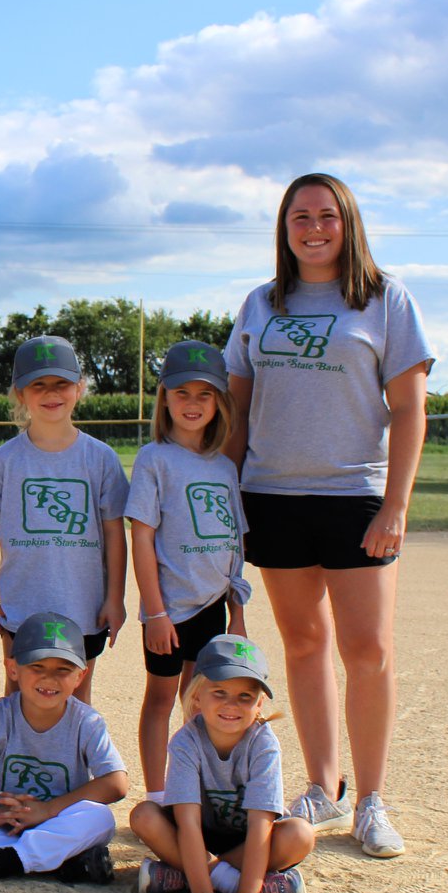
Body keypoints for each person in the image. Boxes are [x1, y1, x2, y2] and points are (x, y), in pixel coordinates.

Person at [225, 172, 433, 859]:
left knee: (368, 649)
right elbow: (237, 409)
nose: (313, 228)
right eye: (300, 217)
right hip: (273, 494)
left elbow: (410, 409)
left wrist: (396, 505)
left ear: (348, 223)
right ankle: (323, 785)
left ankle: (371, 799)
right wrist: (225, 497)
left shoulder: (384, 299)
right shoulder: (262, 303)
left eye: (326, 216)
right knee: (304, 642)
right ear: (284, 229)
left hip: (355, 494)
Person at [124, 340, 252, 801]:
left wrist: (238, 615)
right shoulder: (154, 459)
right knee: (161, 699)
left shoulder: (224, 467)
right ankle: (159, 795)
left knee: (201, 704)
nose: (192, 403)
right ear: (165, 398)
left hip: (213, 606)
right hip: (171, 608)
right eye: (182, 393)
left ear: (219, 402)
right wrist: (156, 612)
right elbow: (141, 538)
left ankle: (192, 792)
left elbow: (234, 545)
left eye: (204, 394)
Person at [0, 335, 128, 701]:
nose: (51, 393)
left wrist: (115, 598)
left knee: (77, 700)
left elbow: (115, 535)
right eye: (38, 385)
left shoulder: (100, 458)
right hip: (22, 604)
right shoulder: (5, 460)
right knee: (17, 697)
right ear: (20, 393)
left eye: (61, 383)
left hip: (83, 606)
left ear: (79, 388)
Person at [0, 613, 129, 890]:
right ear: (13, 669)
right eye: (37, 666)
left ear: (80, 676)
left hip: (58, 821)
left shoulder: (86, 721)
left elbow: (116, 783)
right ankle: (63, 862)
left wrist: (48, 810)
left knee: (99, 819)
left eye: (63, 669)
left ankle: (1, 862)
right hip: (9, 824)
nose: (49, 678)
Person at [130, 636, 314, 893]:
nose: (232, 705)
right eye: (220, 692)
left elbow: (261, 825)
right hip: (196, 838)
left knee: (300, 835)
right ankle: (236, 882)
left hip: (248, 843)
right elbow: (188, 823)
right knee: (144, 816)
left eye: (245, 696)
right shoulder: (186, 742)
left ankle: (182, 875)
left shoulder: (263, 744)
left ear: (260, 703)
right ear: (197, 696)